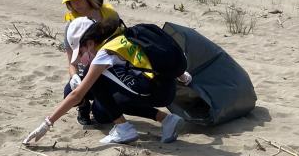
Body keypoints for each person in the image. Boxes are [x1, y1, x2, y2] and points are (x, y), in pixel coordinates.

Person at [23, 16, 184, 147]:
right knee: (114, 99)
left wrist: (46, 124)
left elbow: (77, 95)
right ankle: (167, 120)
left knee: (93, 76)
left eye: (83, 52)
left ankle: (123, 129)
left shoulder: (105, 53)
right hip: (167, 88)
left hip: (153, 91)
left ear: (90, 42)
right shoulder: (123, 35)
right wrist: (183, 76)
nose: (83, 58)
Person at [61, 0, 120, 127]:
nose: (76, 4)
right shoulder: (71, 25)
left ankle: (103, 105)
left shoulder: (110, 16)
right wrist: (74, 77)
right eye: (71, 0)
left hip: (110, 74)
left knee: (103, 116)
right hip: (85, 75)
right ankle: (83, 107)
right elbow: (72, 63)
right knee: (69, 93)